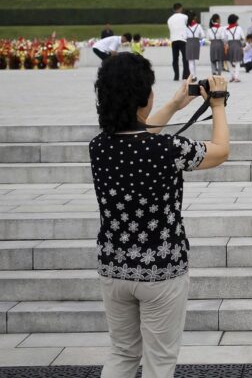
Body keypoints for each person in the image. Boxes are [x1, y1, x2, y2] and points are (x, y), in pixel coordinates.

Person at [90, 52, 229, 378]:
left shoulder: (99, 147)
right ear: (144, 98)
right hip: (161, 270)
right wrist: (218, 104)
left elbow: (138, 134)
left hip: (114, 267)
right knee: (159, 361)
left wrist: (175, 105)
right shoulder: (169, 149)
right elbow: (220, 151)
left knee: (122, 353)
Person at [167, 3, 189, 82]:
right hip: (183, 39)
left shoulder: (169, 19)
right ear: (181, 8)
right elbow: (186, 25)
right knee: (185, 58)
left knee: (175, 59)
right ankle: (185, 75)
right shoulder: (184, 17)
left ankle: (176, 76)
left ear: (173, 9)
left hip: (174, 39)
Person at [225, 14, 246, 83]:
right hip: (237, 45)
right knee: (237, 62)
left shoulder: (226, 29)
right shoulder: (239, 28)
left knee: (228, 61)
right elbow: (243, 38)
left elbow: (225, 39)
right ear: (235, 21)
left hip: (229, 45)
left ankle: (232, 76)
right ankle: (236, 77)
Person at [184, 14, 204, 79]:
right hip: (196, 42)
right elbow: (203, 35)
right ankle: (194, 75)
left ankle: (192, 76)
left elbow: (184, 37)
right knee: (194, 60)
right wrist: (199, 38)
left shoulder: (186, 27)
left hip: (189, 42)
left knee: (190, 61)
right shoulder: (198, 26)